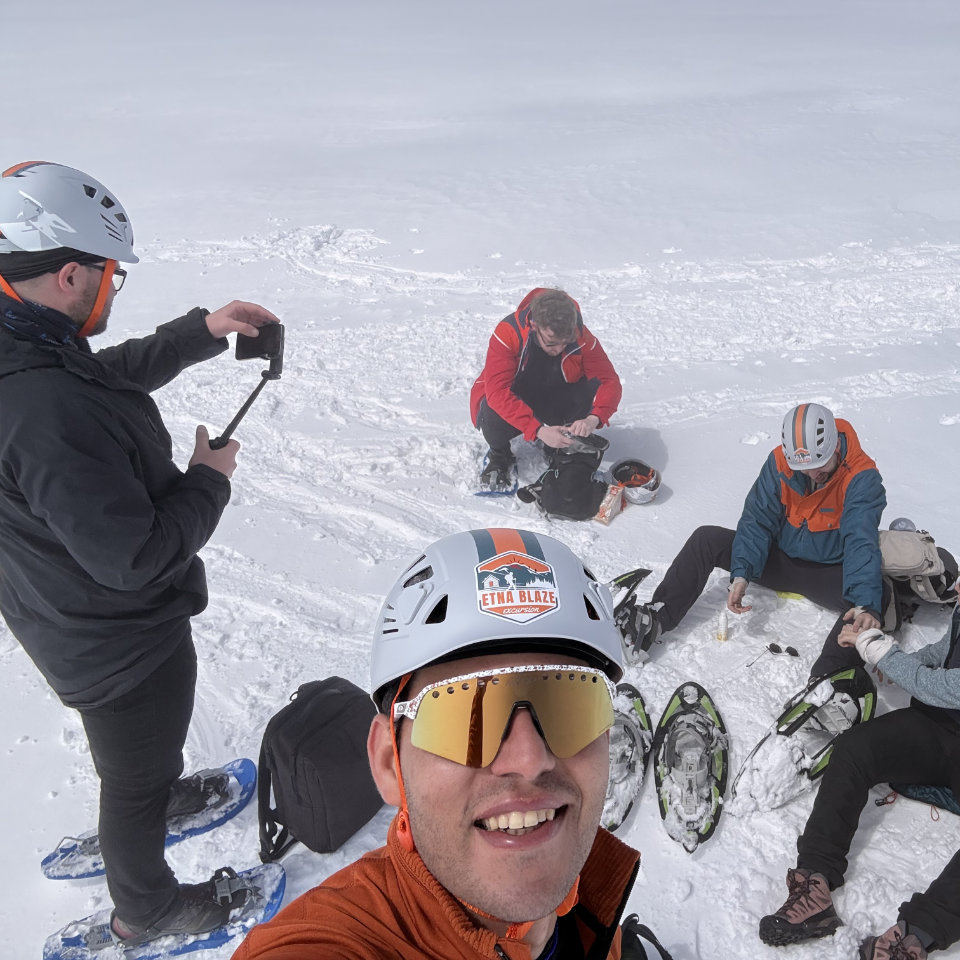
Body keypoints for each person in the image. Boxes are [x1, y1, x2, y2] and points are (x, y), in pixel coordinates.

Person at [0, 161, 281, 943]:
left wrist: (199, 333)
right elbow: (135, 557)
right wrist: (208, 482)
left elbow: (95, 381)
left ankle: (153, 791)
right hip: (115, 639)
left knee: (138, 760)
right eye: (109, 276)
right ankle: (147, 911)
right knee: (131, 775)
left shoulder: (23, 343)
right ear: (66, 274)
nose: (112, 289)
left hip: (72, 615)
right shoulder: (36, 403)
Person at [234, 527, 641, 960]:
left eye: (572, 705)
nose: (529, 758)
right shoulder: (338, 942)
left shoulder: (591, 897)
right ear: (391, 764)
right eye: (463, 715)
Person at [757, 549, 960, 960]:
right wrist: (897, 661)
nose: (955, 590)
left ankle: (917, 934)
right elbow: (938, 657)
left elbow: (941, 688)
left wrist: (876, 649)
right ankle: (814, 881)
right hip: (935, 727)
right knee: (855, 749)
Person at [621, 402, 886, 683]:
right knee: (706, 538)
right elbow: (758, 519)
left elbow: (860, 541)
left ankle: (829, 681)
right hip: (779, 560)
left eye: (818, 467)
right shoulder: (781, 462)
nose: (811, 475)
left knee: (875, 600)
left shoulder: (861, 476)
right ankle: (655, 620)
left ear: (833, 447)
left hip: (828, 571)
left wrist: (865, 605)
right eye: (803, 468)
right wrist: (742, 573)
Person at [469, 287, 621, 491]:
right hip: (517, 395)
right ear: (534, 325)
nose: (558, 349)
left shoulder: (581, 335)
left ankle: (559, 442)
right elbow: (497, 392)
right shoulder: (508, 333)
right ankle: (500, 454)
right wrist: (538, 430)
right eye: (551, 343)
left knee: (587, 385)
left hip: (556, 394)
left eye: (564, 342)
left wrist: (593, 418)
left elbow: (608, 380)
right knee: (491, 410)